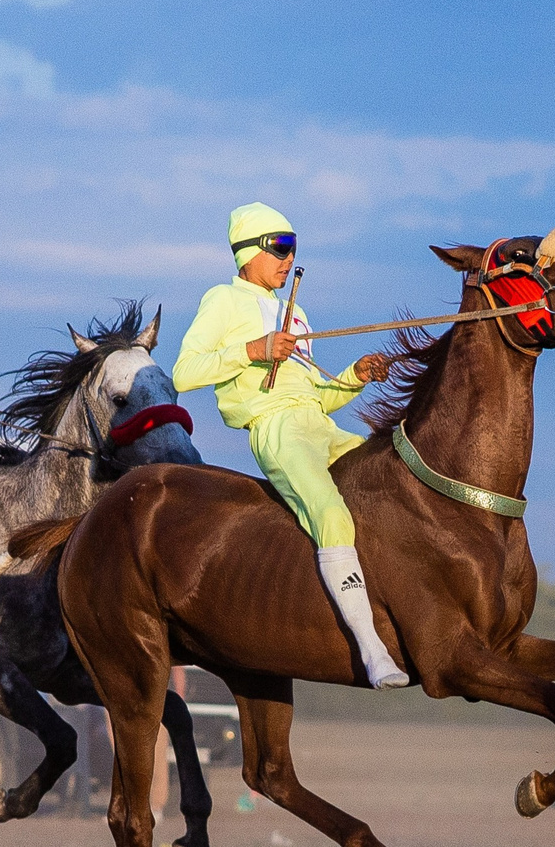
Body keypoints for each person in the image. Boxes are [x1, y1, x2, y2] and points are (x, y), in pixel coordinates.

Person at [172, 201, 407, 689]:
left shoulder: (295, 312)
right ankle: (371, 650)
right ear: (246, 253)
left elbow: (315, 395)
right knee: (332, 514)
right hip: (275, 430)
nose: (287, 257)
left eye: (293, 247)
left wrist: (355, 376)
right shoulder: (221, 299)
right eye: (279, 246)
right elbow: (184, 372)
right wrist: (254, 350)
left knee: (392, 482)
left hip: (318, 423)